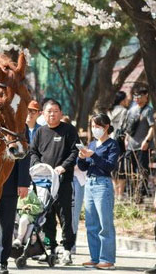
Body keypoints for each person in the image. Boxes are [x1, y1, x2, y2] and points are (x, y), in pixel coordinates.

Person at [0, 102, 33, 274]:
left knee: (7, 224)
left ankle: (3, 262)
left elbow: (25, 155)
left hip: (9, 182)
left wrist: (23, 183)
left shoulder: (20, 124)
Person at [29, 99, 79, 265]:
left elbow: (74, 152)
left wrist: (63, 167)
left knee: (65, 216)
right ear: (43, 114)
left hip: (63, 182)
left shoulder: (69, 130)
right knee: (47, 216)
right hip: (44, 182)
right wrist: (37, 165)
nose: (52, 114)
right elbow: (33, 152)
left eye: (56, 111)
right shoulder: (40, 132)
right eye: (49, 111)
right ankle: (50, 249)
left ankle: (67, 251)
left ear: (61, 113)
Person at [78, 113, 120, 270]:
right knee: (91, 224)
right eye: (93, 126)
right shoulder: (92, 144)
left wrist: (93, 155)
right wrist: (82, 157)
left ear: (106, 127)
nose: (95, 129)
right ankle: (95, 257)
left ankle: (107, 259)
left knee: (105, 223)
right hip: (89, 183)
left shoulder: (112, 144)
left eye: (98, 126)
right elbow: (83, 167)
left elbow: (109, 166)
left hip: (103, 184)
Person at [124, 85, 153, 203]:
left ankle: (139, 196)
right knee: (129, 171)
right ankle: (131, 195)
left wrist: (147, 141)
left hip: (142, 146)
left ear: (146, 96)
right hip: (130, 146)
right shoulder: (131, 110)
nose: (137, 98)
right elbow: (128, 128)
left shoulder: (148, 110)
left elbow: (152, 127)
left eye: (139, 96)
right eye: (135, 96)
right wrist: (126, 139)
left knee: (142, 171)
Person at [109, 91, 129, 200]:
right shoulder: (124, 111)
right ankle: (120, 194)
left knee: (113, 167)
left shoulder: (110, 111)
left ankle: (115, 193)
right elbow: (124, 127)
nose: (127, 101)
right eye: (126, 99)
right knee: (122, 167)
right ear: (122, 100)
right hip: (120, 142)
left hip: (109, 141)